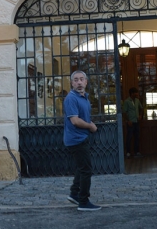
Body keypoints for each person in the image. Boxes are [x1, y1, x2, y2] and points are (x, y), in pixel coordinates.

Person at [64, 70, 101, 211]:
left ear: (86, 82)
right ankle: (83, 201)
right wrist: (90, 126)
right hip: (76, 139)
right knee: (86, 170)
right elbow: (75, 120)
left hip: (82, 137)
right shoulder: (71, 98)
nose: (79, 82)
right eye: (76, 80)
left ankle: (74, 194)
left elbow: (83, 118)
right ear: (72, 83)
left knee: (82, 167)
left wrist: (90, 124)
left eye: (81, 79)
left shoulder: (84, 98)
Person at [122, 87, 143, 158]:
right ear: (132, 93)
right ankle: (128, 152)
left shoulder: (137, 100)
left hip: (137, 121)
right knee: (129, 137)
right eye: (136, 93)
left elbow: (141, 108)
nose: (137, 94)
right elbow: (124, 112)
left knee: (137, 137)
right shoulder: (126, 101)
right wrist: (128, 120)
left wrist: (140, 115)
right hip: (130, 122)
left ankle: (137, 152)